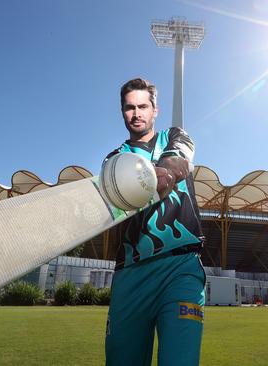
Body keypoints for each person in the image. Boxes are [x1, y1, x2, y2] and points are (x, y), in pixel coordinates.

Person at [104, 78, 205, 366]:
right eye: (129, 107)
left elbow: (181, 156)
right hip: (131, 273)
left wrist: (168, 171)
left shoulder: (174, 137)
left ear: (155, 110)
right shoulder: (114, 160)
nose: (136, 114)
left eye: (143, 106)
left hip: (180, 267)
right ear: (123, 111)